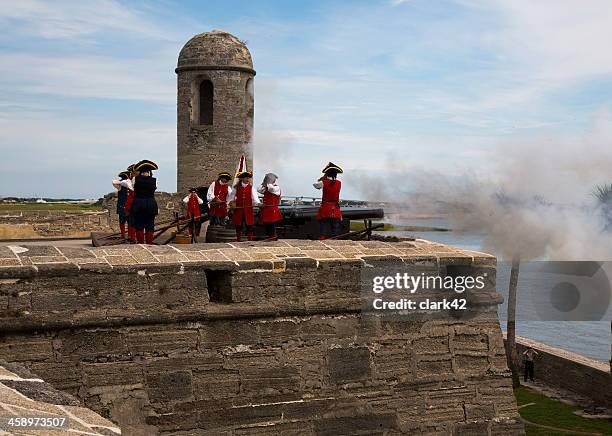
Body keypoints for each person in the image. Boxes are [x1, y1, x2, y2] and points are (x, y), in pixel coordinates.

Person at [313, 162, 343, 240]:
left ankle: (323, 236)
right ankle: (335, 237)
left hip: (326, 207)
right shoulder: (339, 183)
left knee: (323, 222)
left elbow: (315, 185)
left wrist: (323, 178)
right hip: (335, 207)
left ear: (327, 174)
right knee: (335, 224)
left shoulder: (324, 182)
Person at [131, 159, 159, 244]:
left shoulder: (135, 180)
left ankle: (141, 244)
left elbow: (132, 188)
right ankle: (149, 243)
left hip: (138, 204)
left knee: (139, 225)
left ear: (140, 172)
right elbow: (155, 188)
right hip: (151, 204)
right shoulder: (155, 180)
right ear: (149, 172)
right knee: (150, 225)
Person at [227, 171, 260, 241]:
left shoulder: (251, 188)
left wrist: (258, 204)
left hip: (248, 210)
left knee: (249, 226)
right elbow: (231, 197)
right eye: (246, 178)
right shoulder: (236, 188)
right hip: (238, 210)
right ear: (242, 179)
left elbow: (255, 199)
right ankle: (238, 240)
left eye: (248, 178)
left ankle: (250, 240)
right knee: (238, 226)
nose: (248, 179)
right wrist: (230, 203)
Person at [257, 173, 282, 240]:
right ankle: (269, 235)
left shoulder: (277, 188)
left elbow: (271, 189)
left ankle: (273, 235)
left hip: (272, 208)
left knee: (271, 222)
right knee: (266, 222)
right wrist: (264, 183)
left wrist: (268, 182)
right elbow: (259, 189)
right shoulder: (266, 188)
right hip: (266, 209)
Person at [112, 170, 131, 241]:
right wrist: (123, 182)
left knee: (130, 222)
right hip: (122, 206)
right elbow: (114, 182)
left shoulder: (131, 184)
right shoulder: (120, 185)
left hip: (130, 206)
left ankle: (129, 235)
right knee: (122, 222)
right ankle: (123, 235)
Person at [124, 163, 138, 243]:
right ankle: (132, 237)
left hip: (133, 202)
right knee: (131, 222)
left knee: (133, 222)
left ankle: (133, 237)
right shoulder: (130, 181)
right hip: (132, 202)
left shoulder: (132, 181)